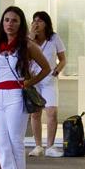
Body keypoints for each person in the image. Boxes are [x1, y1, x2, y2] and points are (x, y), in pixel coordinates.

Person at [0, 6, 50, 169]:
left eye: (14, 20)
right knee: (1, 143)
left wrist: (29, 82)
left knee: (15, 141)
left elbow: (46, 67)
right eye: (6, 20)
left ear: (21, 23)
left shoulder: (27, 45)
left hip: (15, 94)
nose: (9, 24)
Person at [28, 11, 68, 157]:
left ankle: (50, 146)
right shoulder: (28, 39)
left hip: (49, 79)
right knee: (35, 113)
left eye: (40, 21)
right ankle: (38, 145)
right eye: (34, 21)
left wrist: (56, 71)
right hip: (33, 79)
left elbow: (63, 59)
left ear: (46, 23)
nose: (36, 24)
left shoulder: (54, 38)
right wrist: (30, 38)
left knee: (51, 112)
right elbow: (22, 58)